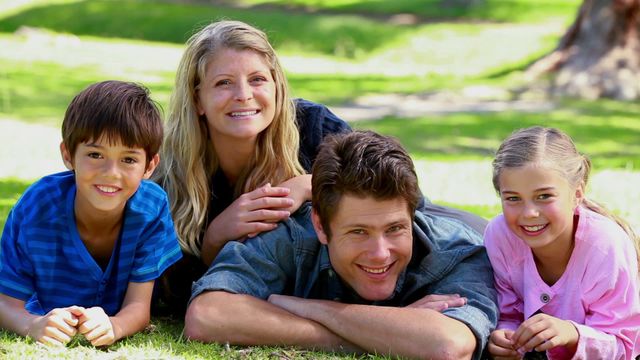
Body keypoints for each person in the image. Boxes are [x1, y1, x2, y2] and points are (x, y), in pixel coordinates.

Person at [184, 130, 498, 359]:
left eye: (395, 229)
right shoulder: (292, 235)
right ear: (321, 225)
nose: (380, 252)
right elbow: (207, 315)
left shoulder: (461, 253)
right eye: (359, 232)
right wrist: (389, 332)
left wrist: (308, 308)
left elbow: (448, 345)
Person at [152, 20, 350, 314]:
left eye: (257, 79)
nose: (243, 94)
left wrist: (309, 184)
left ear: (276, 87)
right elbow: (170, 297)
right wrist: (214, 240)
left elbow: (388, 198)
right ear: (197, 100)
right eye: (223, 83)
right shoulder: (170, 171)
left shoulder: (315, 129)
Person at [0, 81, 182, 346]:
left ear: (150, 166)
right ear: (68, 154)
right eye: (95, 154)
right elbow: (5, 303)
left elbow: (138, 309)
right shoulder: (37, 207)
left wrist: (115, 325)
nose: (111, 172)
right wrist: (32, 324)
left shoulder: (151, 209)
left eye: (128, 159)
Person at [484, 126, 640, 359]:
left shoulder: (605, 245)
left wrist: (571, 334)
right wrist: (505, 335)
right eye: (513, 198)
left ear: (577, 194)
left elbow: (623, 346)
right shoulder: (500, 236)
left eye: (544, 196)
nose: (529, 213)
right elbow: (508, 312)